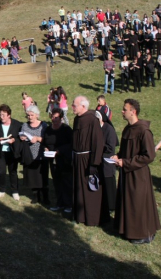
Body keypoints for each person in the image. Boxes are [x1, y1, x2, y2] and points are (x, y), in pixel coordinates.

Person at [111, 99, 161, 244]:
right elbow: (126, 150)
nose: (122, 111)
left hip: (138, 174)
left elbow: (149, 156)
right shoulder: (127, 129)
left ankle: (143, 234)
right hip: (126, 172)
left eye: (124, 109)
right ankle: (128, 230)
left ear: (133, 111)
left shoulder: (144, 131)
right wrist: (118, 156)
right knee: (128, 201)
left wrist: (125, 162)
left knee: (138, 203)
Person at [71, 96, 108, 226]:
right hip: (77, 158)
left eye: (74, 105)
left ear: (83, 106)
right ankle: (80, 215)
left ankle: (92, 217)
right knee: (79, 188)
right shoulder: (76, 119)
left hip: (87, 159)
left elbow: (98, 143)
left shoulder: (92, 120)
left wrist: (94, 163)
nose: (72, 107)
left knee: (89, 190)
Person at [43, 108, 73, 213]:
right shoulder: (48, 129)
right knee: (57, 182)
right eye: (53, 117)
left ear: (61, 118)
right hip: (53, 160)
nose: (54, 119)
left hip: (65, 160)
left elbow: (72, 144)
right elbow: (44, 142)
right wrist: (46, 148)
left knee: (67, 182)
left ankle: (69, 205)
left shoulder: (66, 129)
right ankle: (59, 204)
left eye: (56, 117)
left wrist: (60, 150)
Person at [0, 104, 22, 200]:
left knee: (13, 172)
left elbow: (21, 137)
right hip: (0, 152)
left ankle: (15, 191)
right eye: (0, 115)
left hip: (12, 152)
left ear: (9, 115)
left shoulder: (17, 124)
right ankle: (1, 190)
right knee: (1, 172)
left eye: (3, 115)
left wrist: (14, 140)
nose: (1, 117)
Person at [19, 105, 49, 204]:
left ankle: (45, 197)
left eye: (32, 115)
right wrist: (22, 138)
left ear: (37, 115)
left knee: (43, 177)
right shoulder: (24, 125)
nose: (30, 117)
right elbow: (21, 135)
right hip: (29, 155)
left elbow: (48, 139)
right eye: (28, 115)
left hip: (41, 155)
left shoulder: (44, 125)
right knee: (32, 177)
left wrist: (38, 138)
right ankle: (36, 196)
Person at [95, 111, 118, 213]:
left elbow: (110, 147)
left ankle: (111, 206)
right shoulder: (95, 129)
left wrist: (98, 147)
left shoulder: (109, 129)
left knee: (109, 184)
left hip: (107, 160)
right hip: (97, 160)